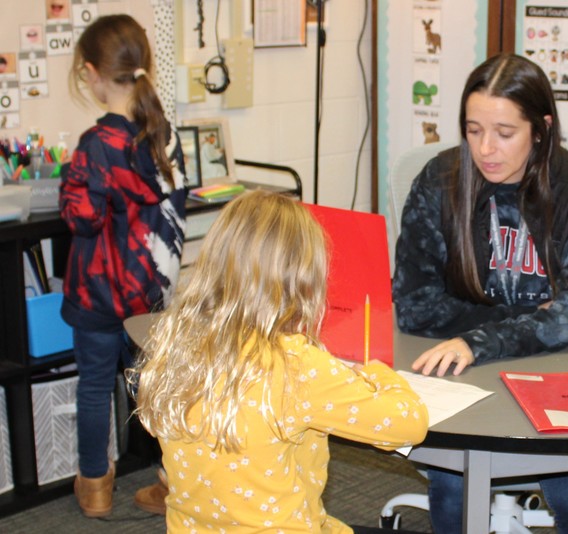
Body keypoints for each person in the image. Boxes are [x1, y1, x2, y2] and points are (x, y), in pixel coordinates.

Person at [392, 53, 568, 533]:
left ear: (541, 128)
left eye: (504, 133)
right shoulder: (440, 181)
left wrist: (480, 337)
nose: (486, 148)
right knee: (453, 490)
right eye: (473, 130)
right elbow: (413, 304)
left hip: (556, 370)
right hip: (461, 374)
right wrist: (531, 320)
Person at [131, 190, 429, 533]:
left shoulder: (175, 343)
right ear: (301, 283)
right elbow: (410, 423)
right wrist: (377, 372)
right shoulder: (297, 365)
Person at [59, 14, 188, 518]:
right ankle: (172, 481)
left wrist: (74, 178)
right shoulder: (161, 133)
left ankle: (94, 486)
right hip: (150, 293)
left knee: (94, 386)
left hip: (97, 293)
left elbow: (82, 220)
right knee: (155, 391)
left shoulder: (97, 143)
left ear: (92, 73)